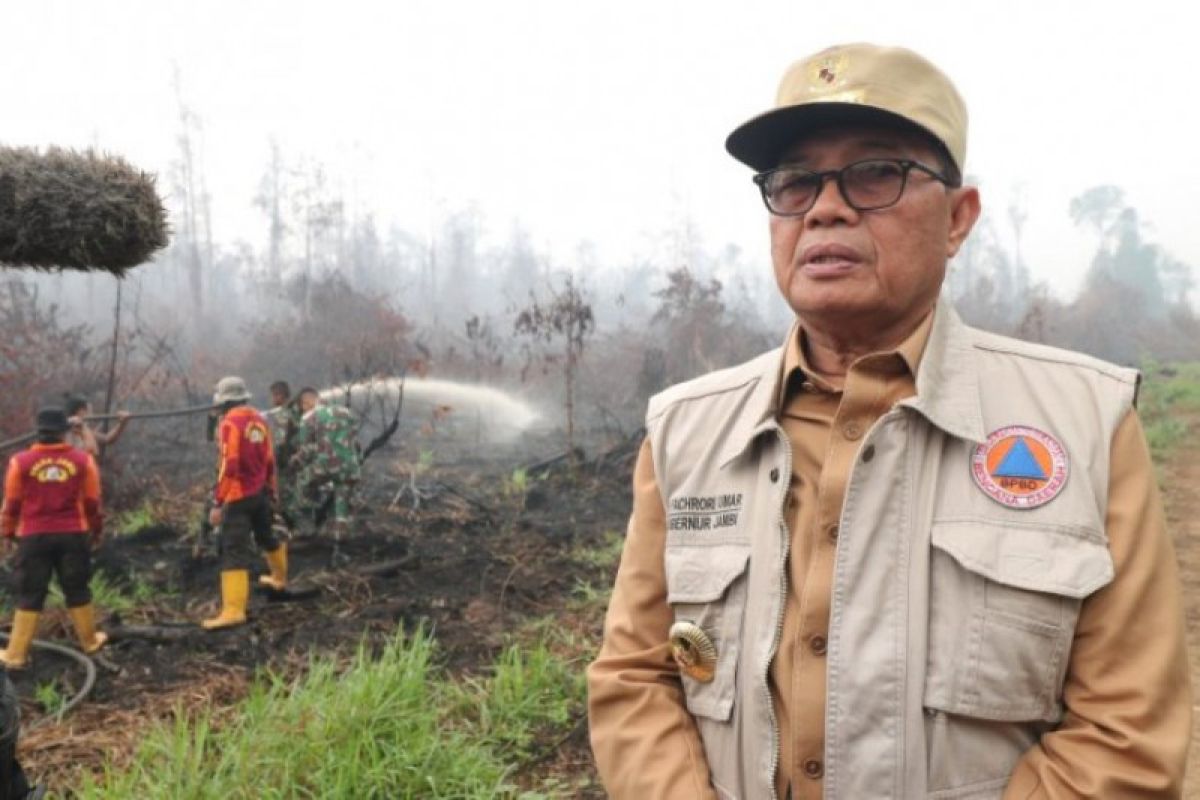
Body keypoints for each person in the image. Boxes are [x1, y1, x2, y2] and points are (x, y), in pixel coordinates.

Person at [587, 43, 1190, 799]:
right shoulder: (687, 433)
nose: (825, 207)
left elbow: (1126, 736)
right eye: (794, 181)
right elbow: (635, 679)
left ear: (958, 219)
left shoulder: (1083, 424)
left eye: (875, 173)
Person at [0, 408, 107, 669]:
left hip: (34, 537)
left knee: (30, 592)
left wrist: (5, 532)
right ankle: (90, 642)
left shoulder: (20, 462)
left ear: (38, 432)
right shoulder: (83, 461)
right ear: (64, 433)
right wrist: (96, 530)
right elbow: (93, 502)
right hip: (73, 535)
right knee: (77, 588)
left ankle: (15, 655)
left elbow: (11, 503)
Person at [203, 376, 287, 629]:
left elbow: (229, 465)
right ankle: (279, 579)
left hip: (238, 496)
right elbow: (270, 460)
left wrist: (218, 502)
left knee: (233, 550)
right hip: (260, 493)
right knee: (266, 537)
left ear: (224, 401)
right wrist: (272, 493)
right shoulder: (259, 420)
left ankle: (233, 611)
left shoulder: (230, 423)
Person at [290, 388, 360, 565]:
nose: (303, 410)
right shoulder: (347, 412)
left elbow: (305, 450)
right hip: (350, 467)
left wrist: (294, 461)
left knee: (301, 484)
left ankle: (307, 526)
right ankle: (339, 549)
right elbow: (353, 438)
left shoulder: (309, 418)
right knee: (342, 506)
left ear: (307, 403)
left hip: (326, 467)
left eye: (303, 406)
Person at [265, 380, 302, 536]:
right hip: (297, 459)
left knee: (284, 497)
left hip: (285, 462)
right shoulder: (294, 411)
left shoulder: (283, 414)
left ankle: (292, 529)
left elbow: (279, 442)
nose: (272, 400)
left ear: (280, 395)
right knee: (293, 493)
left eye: (274, 396)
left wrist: (274, 460)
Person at [63, 396, 130, 458]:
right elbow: (92, 451)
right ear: (80, 411)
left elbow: (107, 439)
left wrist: (122, 423)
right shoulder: (67, 429)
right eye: (88, 410)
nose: (91, 414)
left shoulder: (85, 429)